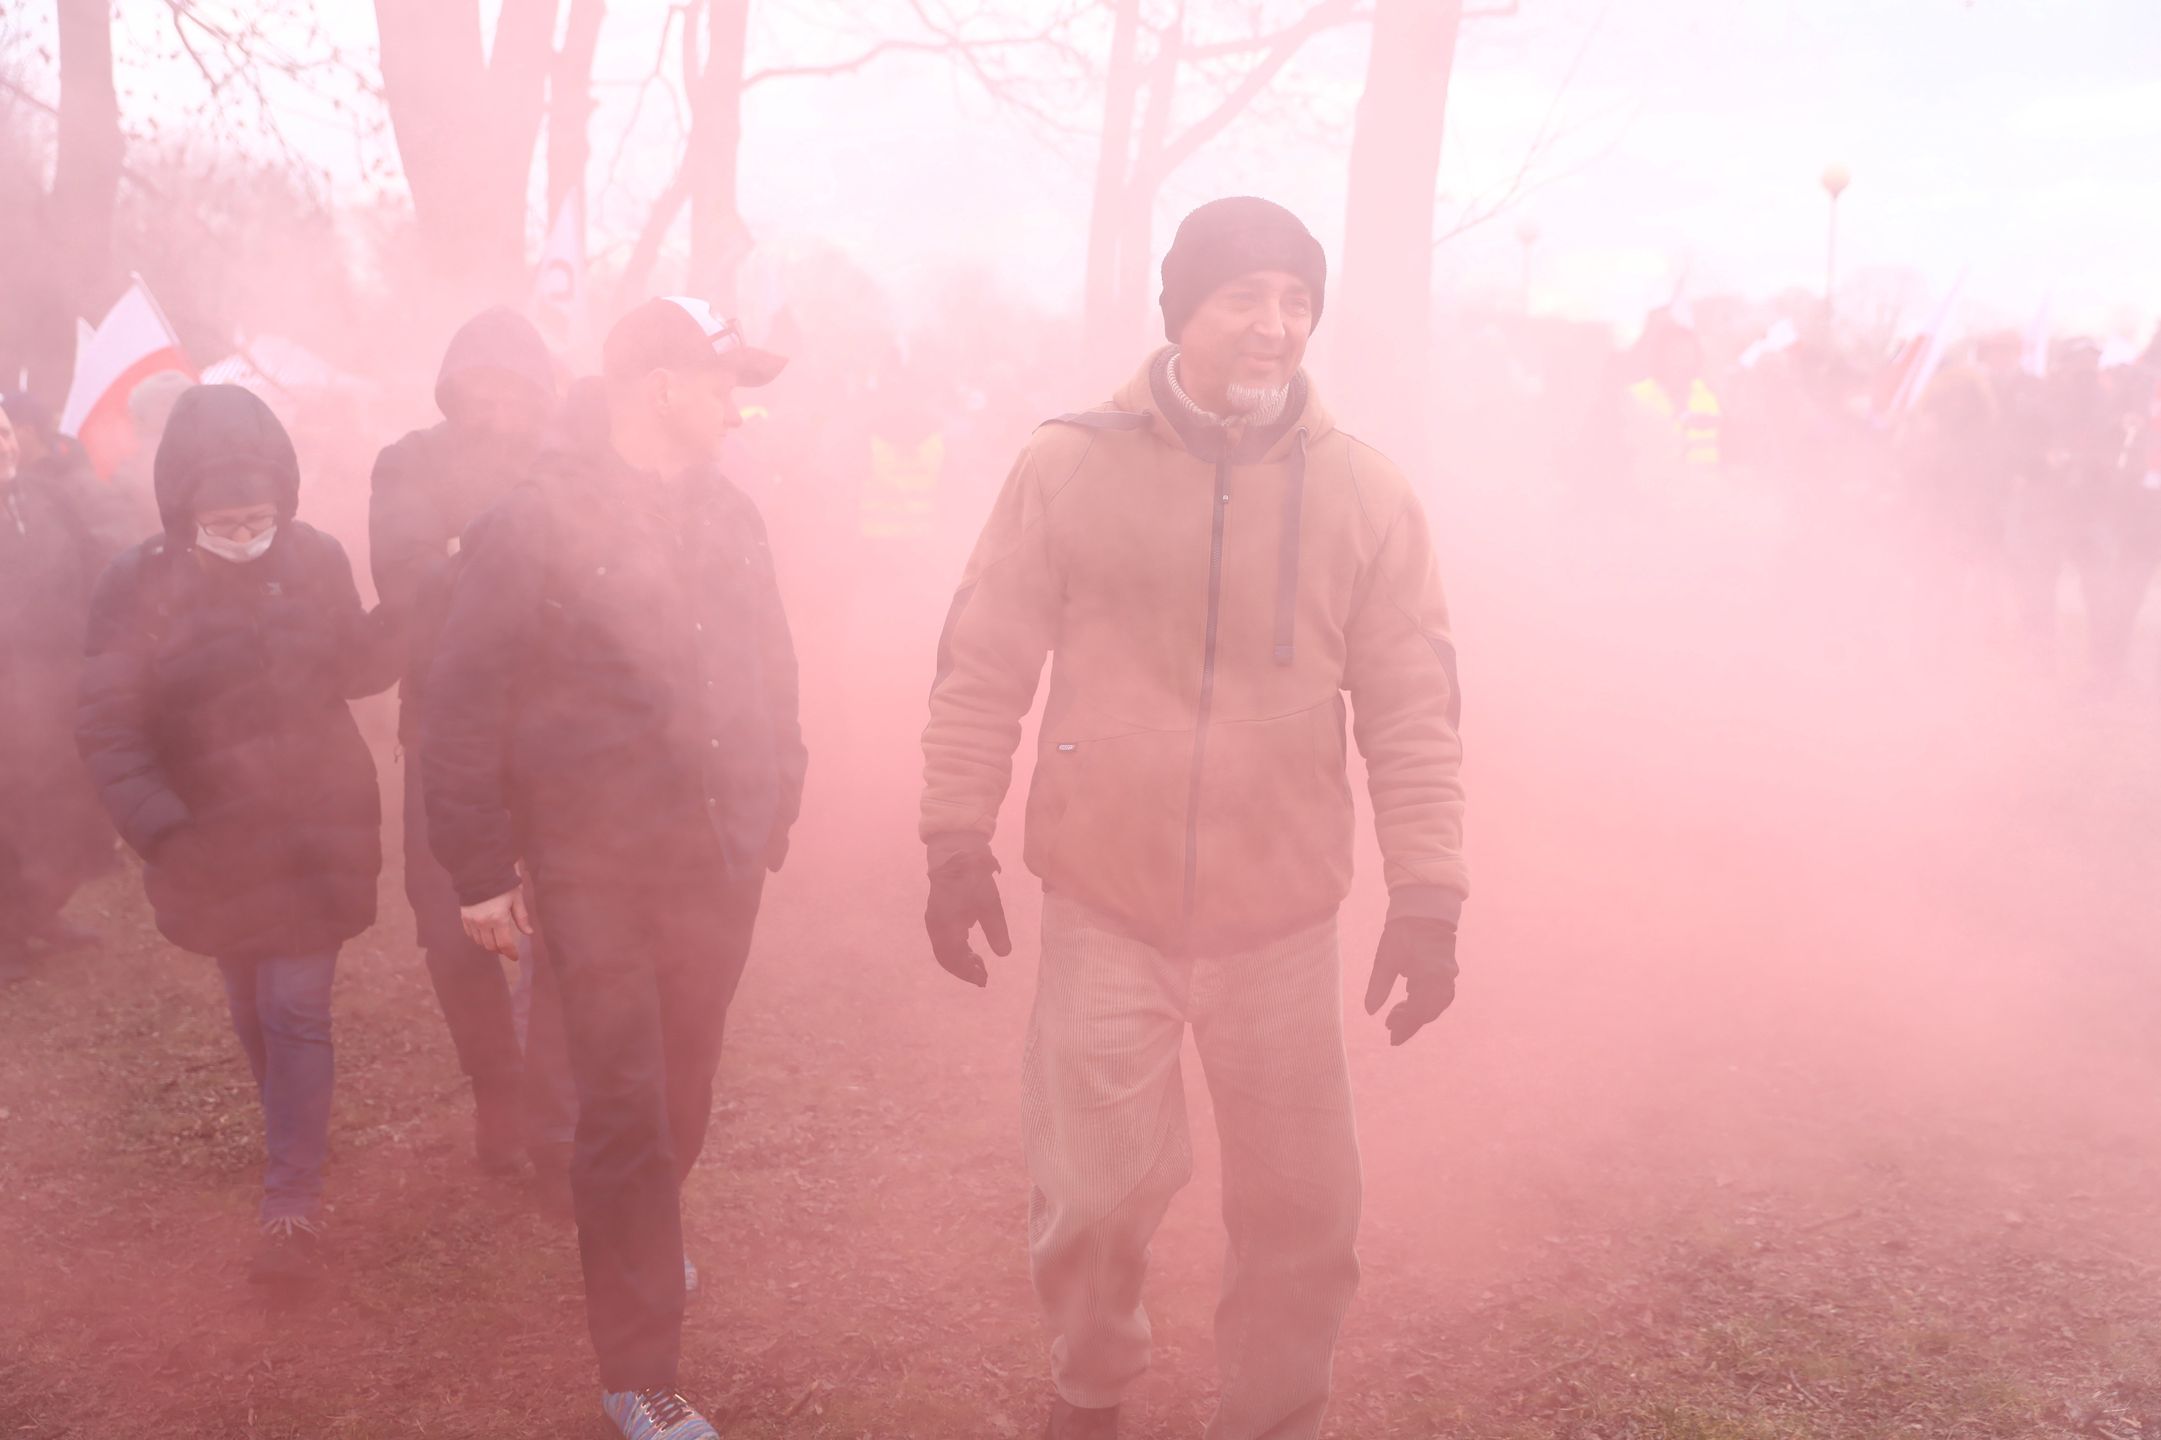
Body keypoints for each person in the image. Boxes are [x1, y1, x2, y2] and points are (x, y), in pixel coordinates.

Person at [919, 197, 1469, 1440]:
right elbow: (983, 662)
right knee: (1093, 1196)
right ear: (1180, 312)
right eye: (1243, 299)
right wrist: (954, 839)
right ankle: (1091, 1390)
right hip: (1105, 899)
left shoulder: (1365, 493)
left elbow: (1413, 710)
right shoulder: (1066, 465)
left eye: (1296, 300)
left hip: (1279, 916)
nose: (1274, 329)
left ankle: (1272, 1418)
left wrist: (1428, 895)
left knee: (1301, 1215)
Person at [421, 298, 806, 1440]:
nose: (740, 406)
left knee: (680, 1100)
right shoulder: (531, 522)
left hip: (716, 863)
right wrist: (482, 868)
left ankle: (642, 1233)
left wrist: (776, 800)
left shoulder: (733, 518)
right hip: (591, 869)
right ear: (658, 383)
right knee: (628, 1106)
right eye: (725, 379)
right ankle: (638, 1371)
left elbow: (771, 669)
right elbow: (460, 707)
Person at [75, 383, 397, 1286]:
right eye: (224, 521)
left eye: (259, 516)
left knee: (295, 1005)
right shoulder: (135, 585)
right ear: (183, 513)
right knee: (253, 1004)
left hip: (317, 825)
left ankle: (290, 1202)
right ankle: (289, 1131)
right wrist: (164, 830)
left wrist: (415, 608)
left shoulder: (317, 558)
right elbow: (108, 725)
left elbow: (354, 665)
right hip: (207, 839)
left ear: (285, 501)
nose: (244, 532)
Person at [369, 307, 574, 1188]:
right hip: (444, 723)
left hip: (556, 732)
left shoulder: (565, 465)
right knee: (450, 928)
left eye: (516, 393)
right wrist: (502, 562)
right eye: (479, 392)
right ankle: (498, 1089)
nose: (497, 411)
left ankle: (559, 1110)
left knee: (562, 922)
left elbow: (587, 591)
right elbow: (408, 587)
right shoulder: (409, 463)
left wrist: (468, 554)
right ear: (454, 392)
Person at [0, 394, 134, 982]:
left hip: (59, 682)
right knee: (10, 814)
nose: (4, 444)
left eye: (4, 432)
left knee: (64, 808)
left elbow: (90, 565)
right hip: (9, 690)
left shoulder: (42, 494)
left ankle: (40, 913)